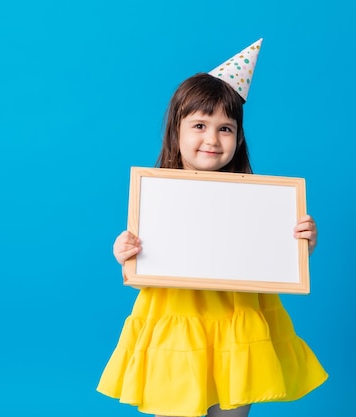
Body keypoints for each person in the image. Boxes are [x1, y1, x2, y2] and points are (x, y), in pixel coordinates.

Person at [96, 39, 327, 417]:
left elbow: (275, 259)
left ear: (238, 137)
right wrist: (125, 253)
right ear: (177, 131)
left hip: (236, 325)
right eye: (200, 125)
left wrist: (302, 244)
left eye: (226, 128)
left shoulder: (257, 201)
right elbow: (142, 273)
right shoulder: (157, 197)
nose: (212, 139)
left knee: (232, 411)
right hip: (176, 326)